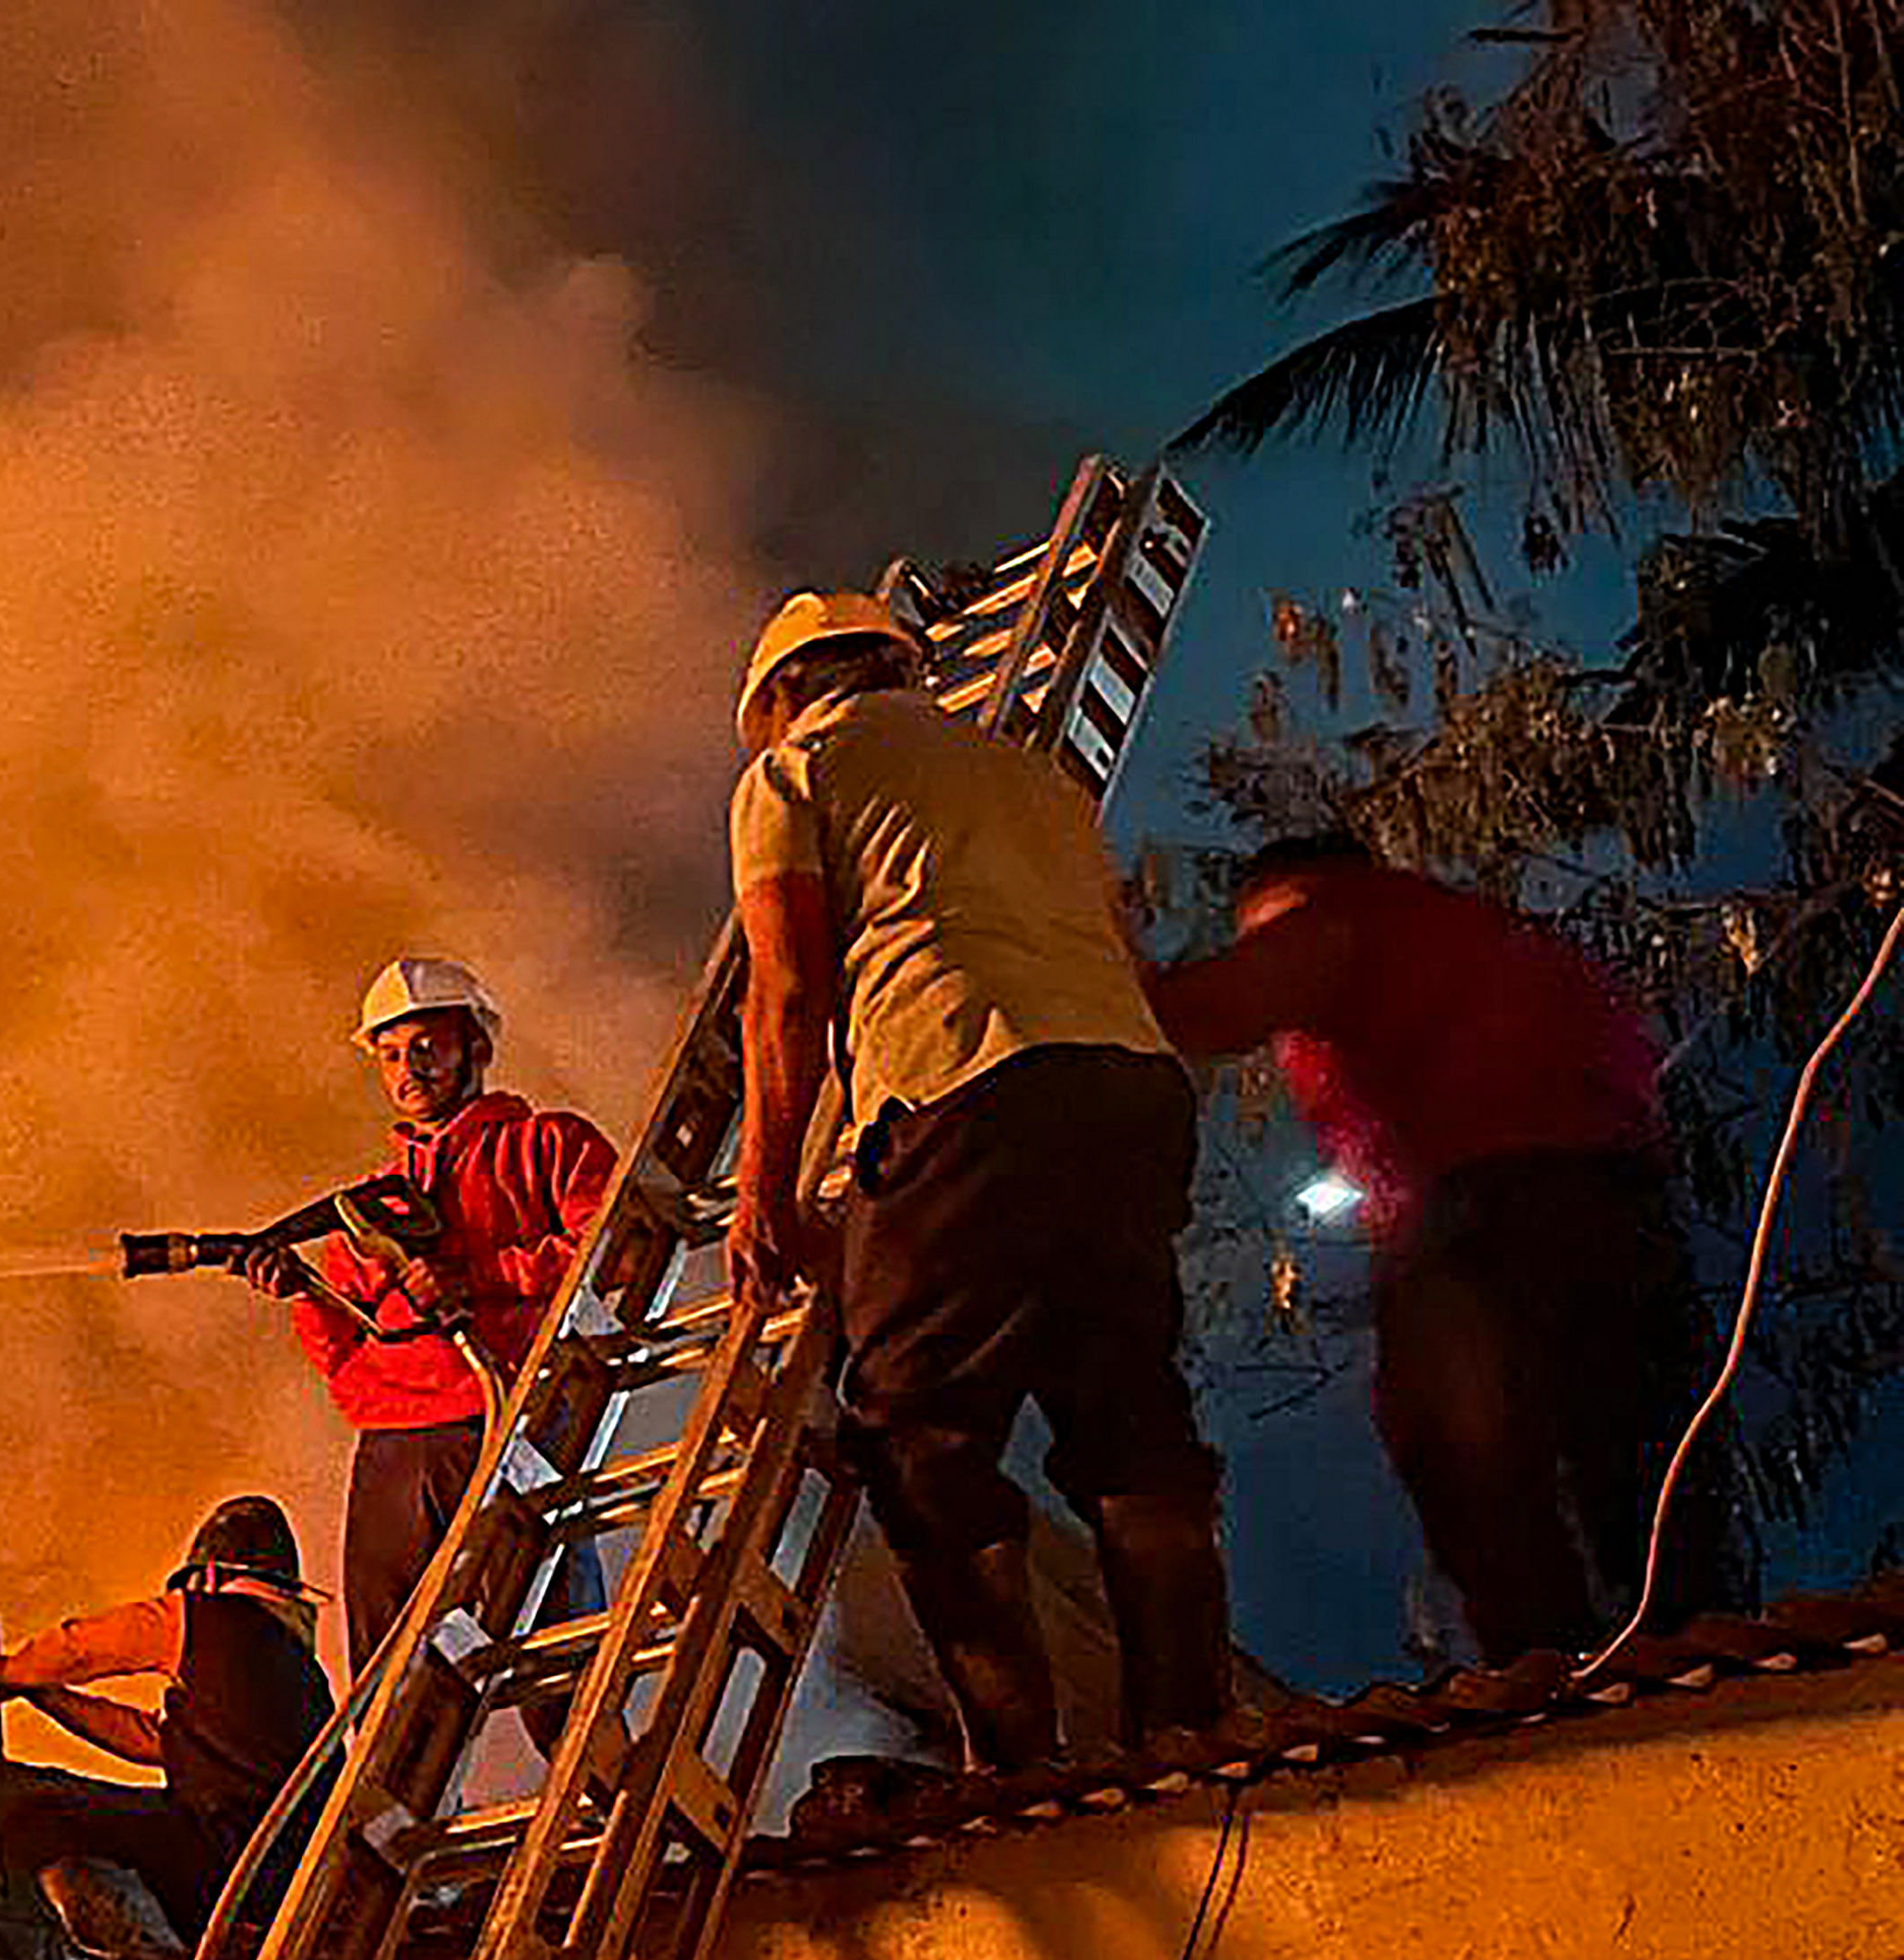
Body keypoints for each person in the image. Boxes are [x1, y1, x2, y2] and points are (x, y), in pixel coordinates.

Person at [725, 591, 1232, 1771]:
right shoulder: (1036, 780)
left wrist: (766, 1193)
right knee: (1127, 1416)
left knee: (913, 1433)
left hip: (962, 1074)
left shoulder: (795, 773)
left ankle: (1012, 1759)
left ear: (786, 695)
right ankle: (1191, 1728)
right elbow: (1122, 953)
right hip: (1129, 1093)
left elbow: (786, 989)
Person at [1145, 831, 1744, 1660]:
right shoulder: (1496, 938)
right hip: (1621, 1201)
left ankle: (1547, 1671)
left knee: (1464, 1453)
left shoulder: (1338, 915)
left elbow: (1216, 1007)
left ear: (1282, 893)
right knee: (1635, 1452)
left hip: (1480, 1214)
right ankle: (1693, 1644)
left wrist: (1090, 971)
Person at [239, 958, 615, 1677]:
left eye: (424, 1045)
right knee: (388, 1666)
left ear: (474, 1046)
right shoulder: (371, 1204)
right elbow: (342, 1348)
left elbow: (613, 1252)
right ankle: (389, 1791)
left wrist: (481, 1278)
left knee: (552, 1637)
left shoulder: (545, 1146)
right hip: (393, 1442)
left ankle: (602, 1782)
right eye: (388, 1053)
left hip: (512, 1410)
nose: (406, 1068)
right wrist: (303, 1293)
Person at [0, 1496, 336, 1960]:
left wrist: (9, 1669)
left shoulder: (198, 1615)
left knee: (39, 1815)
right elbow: (150, 1741)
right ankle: (165, 1950)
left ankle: (135, 1958)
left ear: (207, 1577)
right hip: (286, 1878)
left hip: (220, 1858)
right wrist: (41, 1694)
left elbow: (83, 1648)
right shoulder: (304, 1675)